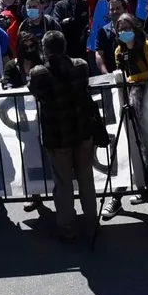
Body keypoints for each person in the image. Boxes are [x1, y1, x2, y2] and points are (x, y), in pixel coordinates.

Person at [27, 31, 98, 240]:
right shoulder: (81, 65)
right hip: (82, 131)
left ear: (45, 49)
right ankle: (92, 222)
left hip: (57, 136)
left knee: (64, 183)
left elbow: (35, 92)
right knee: (86, 179)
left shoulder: (39, 73)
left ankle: (66, 226)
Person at [101, 14, 148, 219]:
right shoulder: (119, 50)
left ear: (134, 27)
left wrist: (134, 79)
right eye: (120, 29)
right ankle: (119, 197)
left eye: (127, 27)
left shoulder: (147, 45)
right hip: (129, 102)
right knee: (128, 147)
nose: (123, 32)